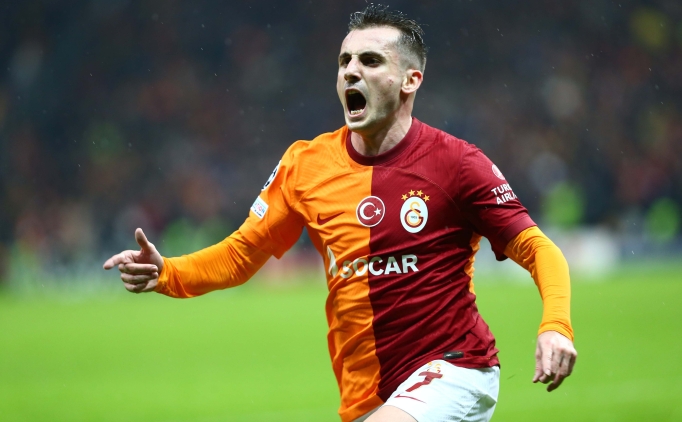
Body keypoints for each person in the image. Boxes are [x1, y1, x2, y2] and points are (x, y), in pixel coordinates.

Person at [103, 4, 577, 422]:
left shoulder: (456, 163)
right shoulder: (305, 165)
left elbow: (538, 249)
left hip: (453, 368)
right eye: (344, 61)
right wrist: (168, 273)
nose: (351, 71)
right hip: (367, 393)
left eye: (370, 61)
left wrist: (555, 326)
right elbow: (240, 255)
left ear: (410, 80)